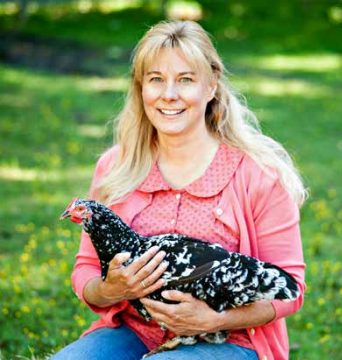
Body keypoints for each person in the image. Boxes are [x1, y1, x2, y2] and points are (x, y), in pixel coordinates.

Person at [52, 20, 306, 360]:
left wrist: (213, 319)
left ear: (212, 85)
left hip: (231, 339)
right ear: (141, 88)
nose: (169, 94)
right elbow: (85, 272)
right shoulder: (116, 167)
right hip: (136, 331)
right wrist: (111, 287)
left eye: (185, 79)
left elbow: (291, 289)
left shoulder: (258, 174)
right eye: (156, 79)